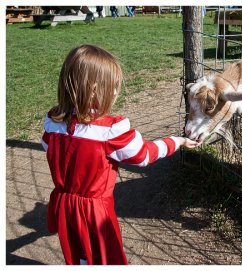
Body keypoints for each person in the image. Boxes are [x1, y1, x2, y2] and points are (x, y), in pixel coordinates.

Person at [41, 44, 200, 265]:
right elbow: (145, 155)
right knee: (106, 258)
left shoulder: (53, 121)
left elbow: (48, 148)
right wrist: (176, 141)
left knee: (78, 253)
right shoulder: (110, 130)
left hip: (65, 207)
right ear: (95, 89)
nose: (116, 91)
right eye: (113, 86)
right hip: (95, 212)